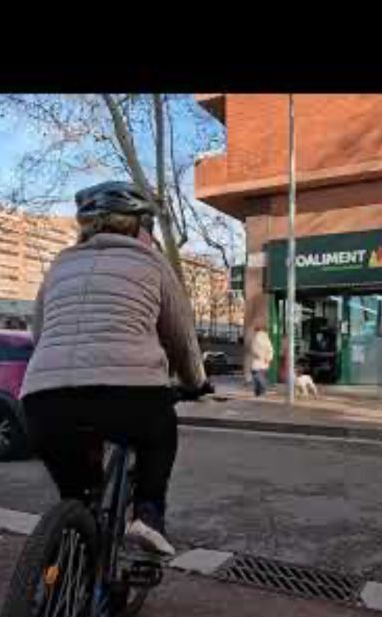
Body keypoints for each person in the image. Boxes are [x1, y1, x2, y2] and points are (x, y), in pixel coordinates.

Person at [19, 181, 210, 557]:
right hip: (130, 394)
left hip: (43, 399)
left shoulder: (61, 264)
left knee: (77, 495)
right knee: (160, 431)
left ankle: (72, 560)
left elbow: (39, 333)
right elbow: (180, 337)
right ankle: (147, 514)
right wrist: (195, 381)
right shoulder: (153, 261)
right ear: (141, 227)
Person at [250, 325, 274, 397]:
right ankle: (260, 391)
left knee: (256, 375)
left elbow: (253, 349)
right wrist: (268, 358)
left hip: (257, 360)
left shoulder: (256, 337)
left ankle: (259, 390)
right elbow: (270, 349)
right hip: (264, 361)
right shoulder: (266, 339)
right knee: (261, 375)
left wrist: (259, 355)